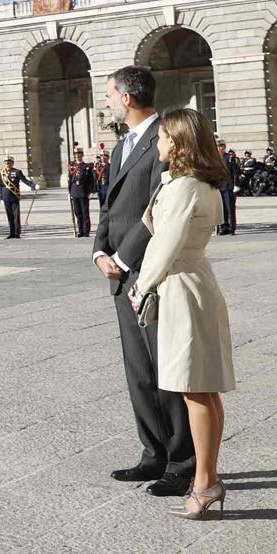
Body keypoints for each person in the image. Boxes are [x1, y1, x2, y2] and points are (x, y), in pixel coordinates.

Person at [93, 65, 194, 497]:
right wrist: (99, 249)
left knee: (164, 367)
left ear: (128, 98)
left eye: (111, 95)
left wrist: (121, 255)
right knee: (138, 369)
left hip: (149, 270)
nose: (109, 102)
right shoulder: (122, 146)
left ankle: (181, 461)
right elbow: (111, 205)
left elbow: (158, 208)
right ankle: (152, 452)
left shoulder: (162, 140)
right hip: (118, 271)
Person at [128, 109, 234, 519]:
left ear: (176, 142)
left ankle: (205, 483)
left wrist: (141, 286)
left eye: (162, 137)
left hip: (181, 287)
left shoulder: (183, 186)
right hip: (195, 280)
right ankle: (209, 478)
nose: (157, 143)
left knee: (194, 387)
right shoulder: (196, 182)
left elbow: (164, 244)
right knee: (202, 387)